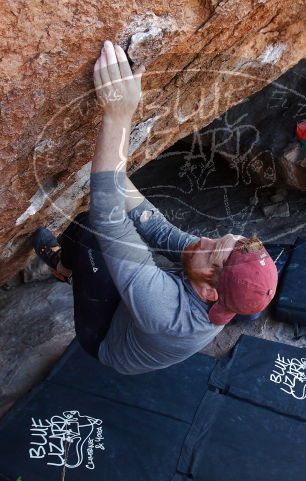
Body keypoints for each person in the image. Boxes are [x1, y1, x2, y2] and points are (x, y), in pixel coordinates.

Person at [32, 41, 278, 374]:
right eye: (219, 238)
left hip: (105, 337)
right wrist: (111, 167)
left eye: (211, 251)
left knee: (93, 231)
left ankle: (66, 268)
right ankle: (70, 265)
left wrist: (118, 115)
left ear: (208, 291)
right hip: (141, 307)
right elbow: (155, 226)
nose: (202, 241)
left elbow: (109, 219)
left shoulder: (167, 314)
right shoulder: (214, 276)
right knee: (96, 231)